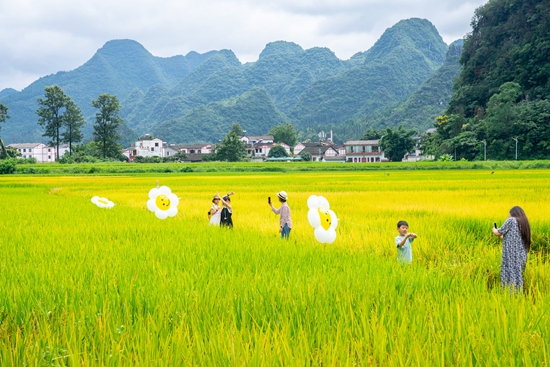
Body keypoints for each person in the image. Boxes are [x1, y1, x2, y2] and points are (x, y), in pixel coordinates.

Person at [492, 206, 531, 290]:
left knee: (509, 274)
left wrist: (494, 230)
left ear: (512, 213)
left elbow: (498, 232)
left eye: (509, 214)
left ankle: (509, 295)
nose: (508, 216)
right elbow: (512, 237)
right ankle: (517, 295)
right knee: (518, 274)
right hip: (522, 254)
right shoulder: (524, 223)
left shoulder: (511, 220)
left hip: (511, 254)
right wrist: (502, 236)